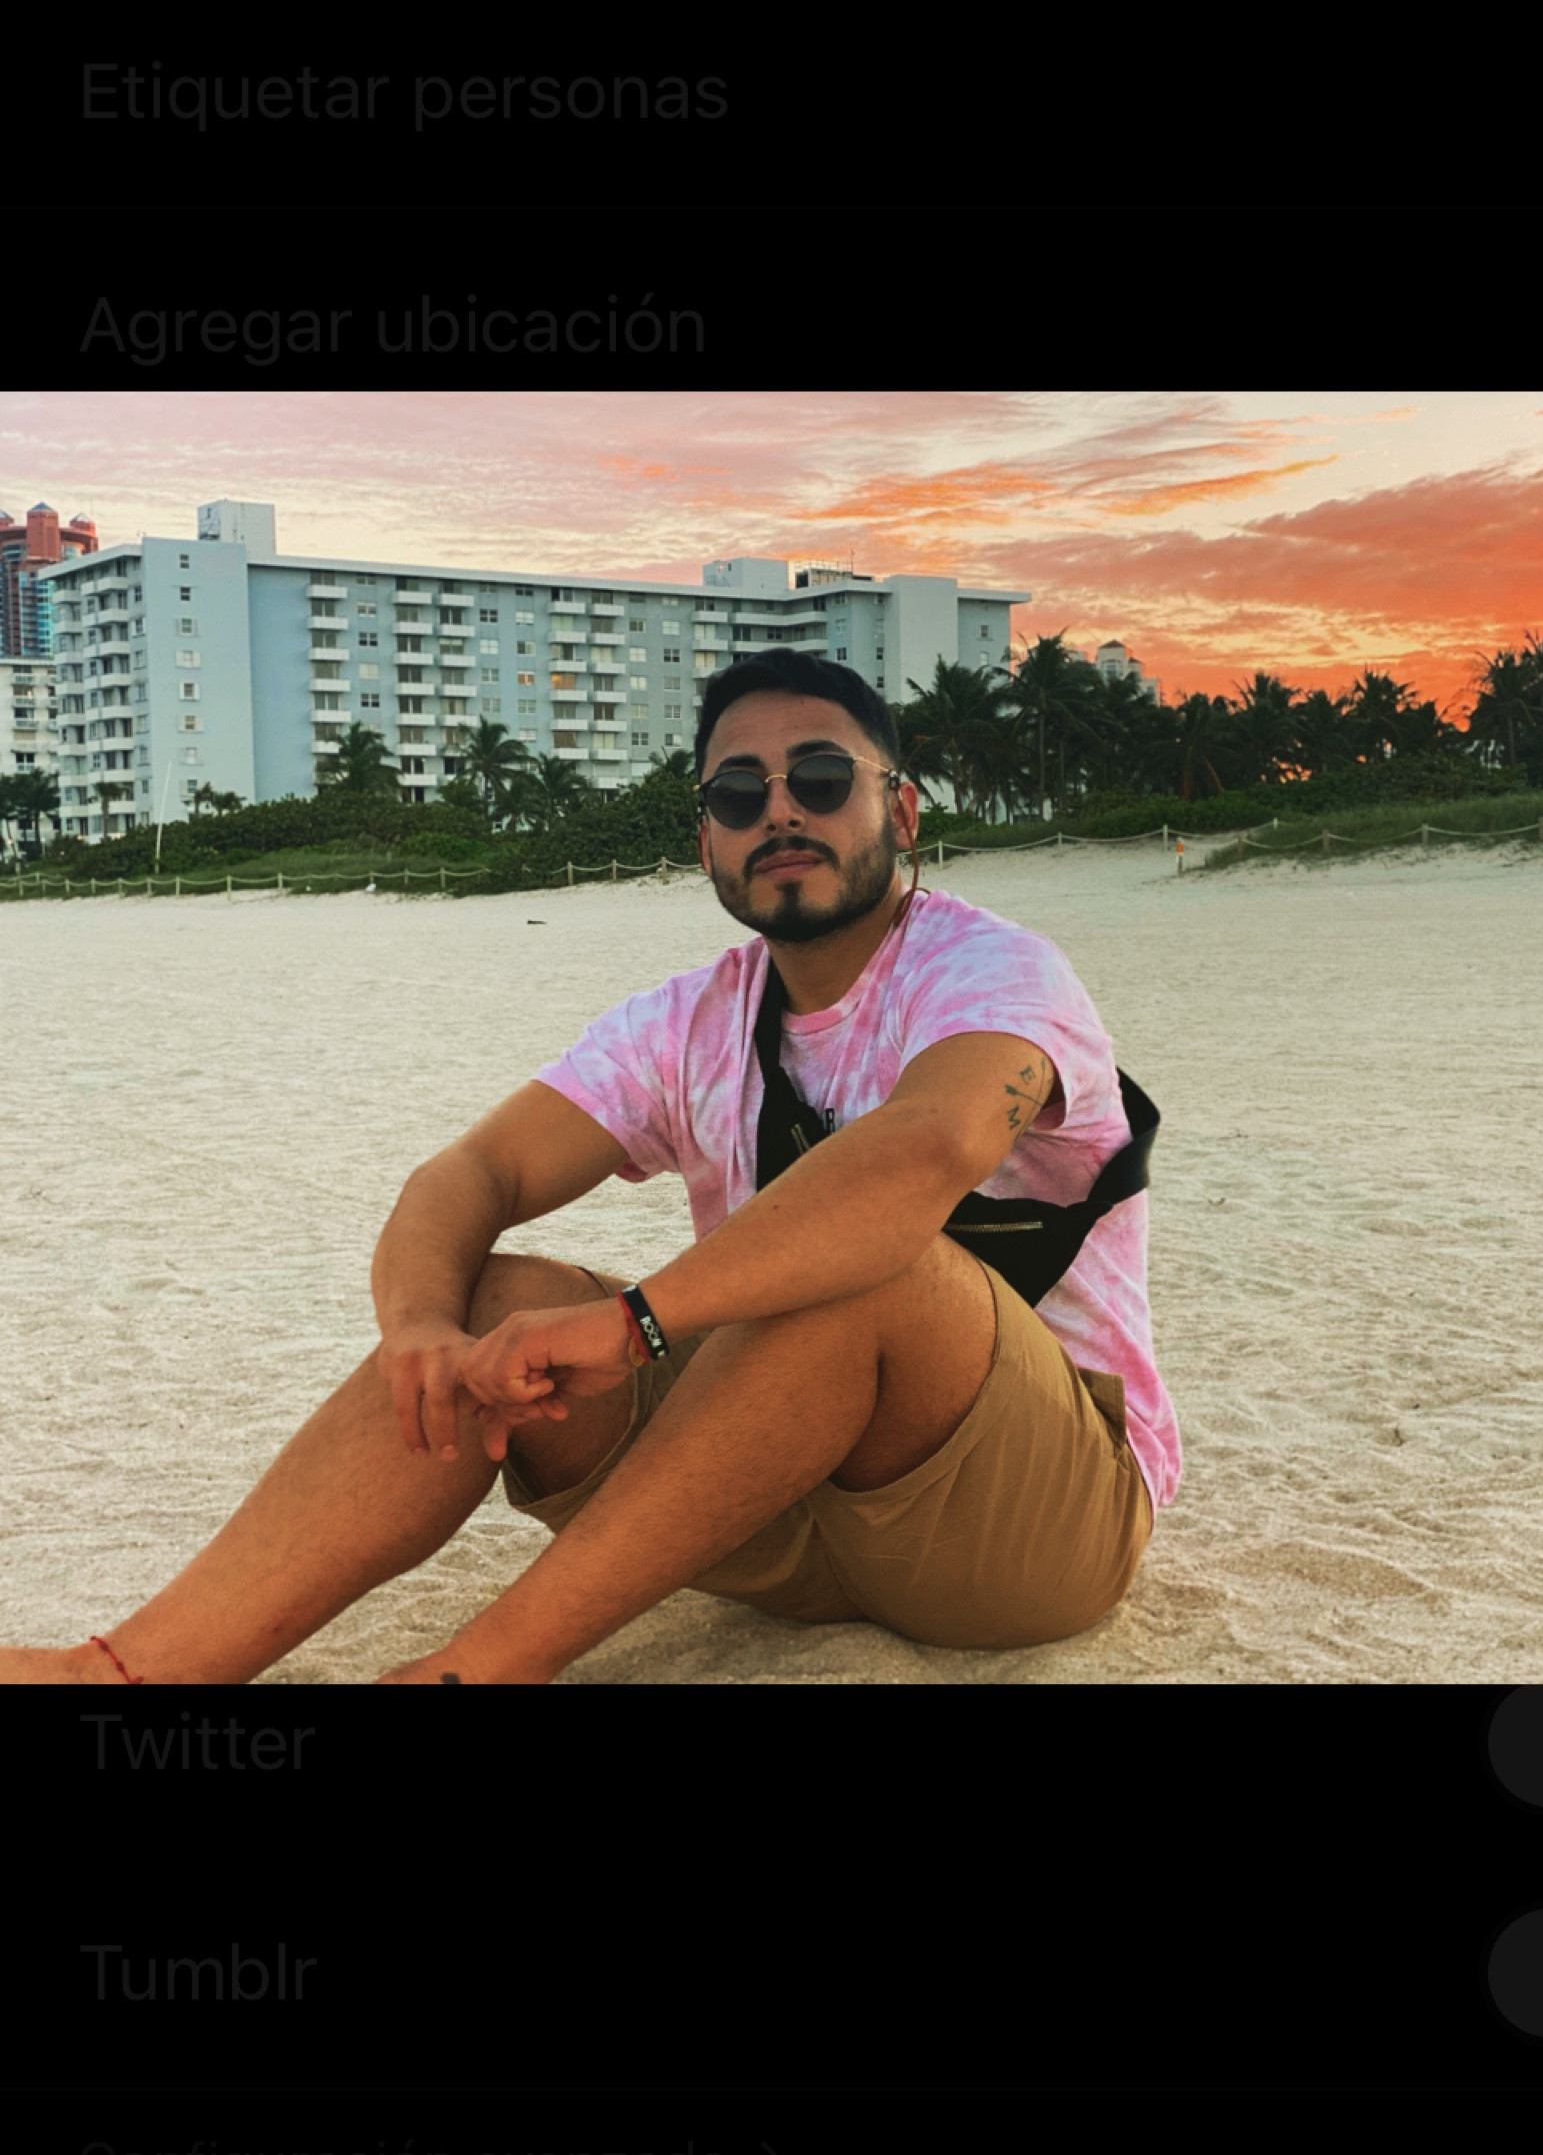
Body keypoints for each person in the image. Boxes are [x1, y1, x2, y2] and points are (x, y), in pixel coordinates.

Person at [2, 652, 1178, 1685]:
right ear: (706, 839)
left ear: (902, 811)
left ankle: (488, 1665)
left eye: (822, 779)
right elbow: (476, 1169)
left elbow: (925, 1151)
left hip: (1029, 1522)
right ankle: (135, 1667)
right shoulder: (695, 1020)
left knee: (862, 1264)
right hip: (788, 1506)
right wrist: (420, 1330)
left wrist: (634, 1323)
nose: (780, 809)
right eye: (738, 793)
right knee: (491, 1298)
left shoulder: (994, 973)